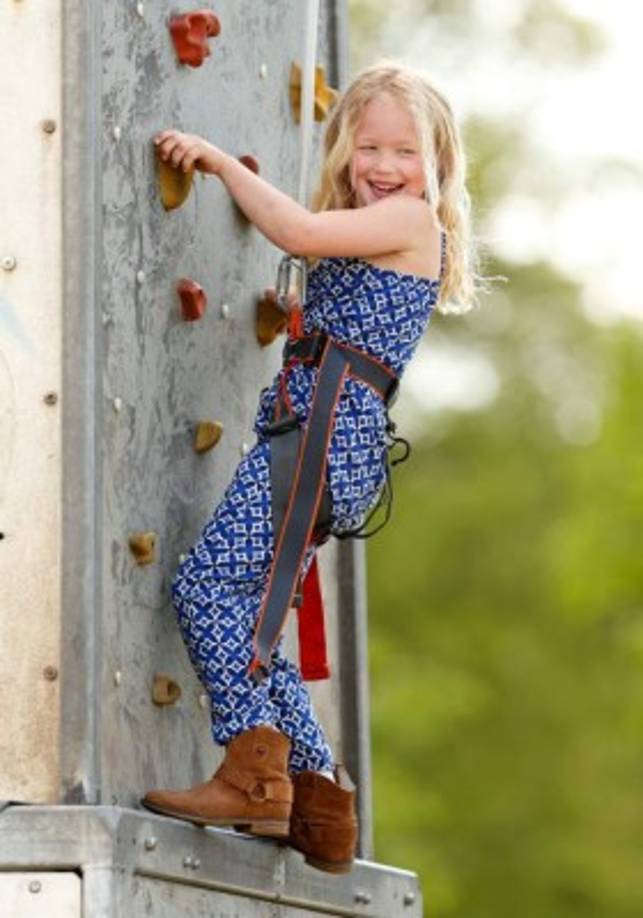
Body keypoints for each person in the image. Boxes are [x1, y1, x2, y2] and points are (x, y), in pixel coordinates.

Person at [142, 61, 476, 874]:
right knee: (253, 615)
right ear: (343, 148)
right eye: (369, 147)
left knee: (204, 586)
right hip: (323, 430)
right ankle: (319, 797)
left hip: (325, 428)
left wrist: (221, 164)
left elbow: (298, 234)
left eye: (404, 151)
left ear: (437, 164)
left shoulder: (409, 221)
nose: (385, 166)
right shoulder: (387, 223)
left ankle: (254, 778)